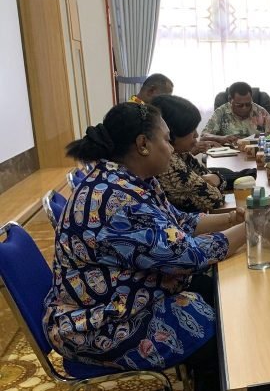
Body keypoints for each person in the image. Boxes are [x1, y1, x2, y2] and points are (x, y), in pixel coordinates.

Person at [42, 102, 246, 389]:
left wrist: (233, 218)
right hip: (97, 324)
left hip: (123, 296)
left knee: (212, 290)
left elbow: (180, 223)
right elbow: (187, 255)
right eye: (166, 139)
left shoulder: (130, 180)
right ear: (142, 144)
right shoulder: (116, 200)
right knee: (219, 332)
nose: (172, 148)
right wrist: (252, 228)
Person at [151, 95, 226, 212]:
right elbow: (215, 199)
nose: (196, 134)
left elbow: (213, 177)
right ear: (173, 133)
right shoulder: (169, 162)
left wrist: (217, 179)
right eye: (192, 129)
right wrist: (216, 180)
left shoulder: (181, 153)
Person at [202, 81, 270, 143]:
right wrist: (221, 138)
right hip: (229, 152)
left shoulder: (261, 112)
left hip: (256, 151)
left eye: (248, 104)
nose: (244, 108)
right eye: (239, 105)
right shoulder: (221, 112)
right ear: (230, 99)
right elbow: (204, 136)